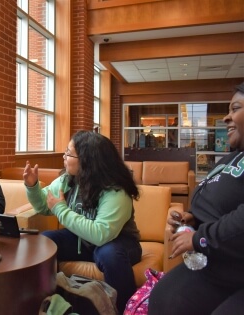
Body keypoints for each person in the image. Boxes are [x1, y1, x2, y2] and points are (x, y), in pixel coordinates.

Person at [149, 82, 244, 314]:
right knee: (165, 298)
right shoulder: (229, 160)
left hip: (234, 269)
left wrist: (200, 238)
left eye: (236, 108)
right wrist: (193, 218)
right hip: (215, 265)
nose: (226, 118)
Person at [23, 131, 142, 313]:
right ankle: (49, 302)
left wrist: (61, 209)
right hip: (83, 241)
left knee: (108, 254)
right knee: (45, 241)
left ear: (87, 160)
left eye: (69, 153)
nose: (64, 157)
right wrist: (32, 186)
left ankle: (127, 309)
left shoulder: (116, 191)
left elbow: (101, 235)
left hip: (119, 242)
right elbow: (44, 206)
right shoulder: (67, 180)